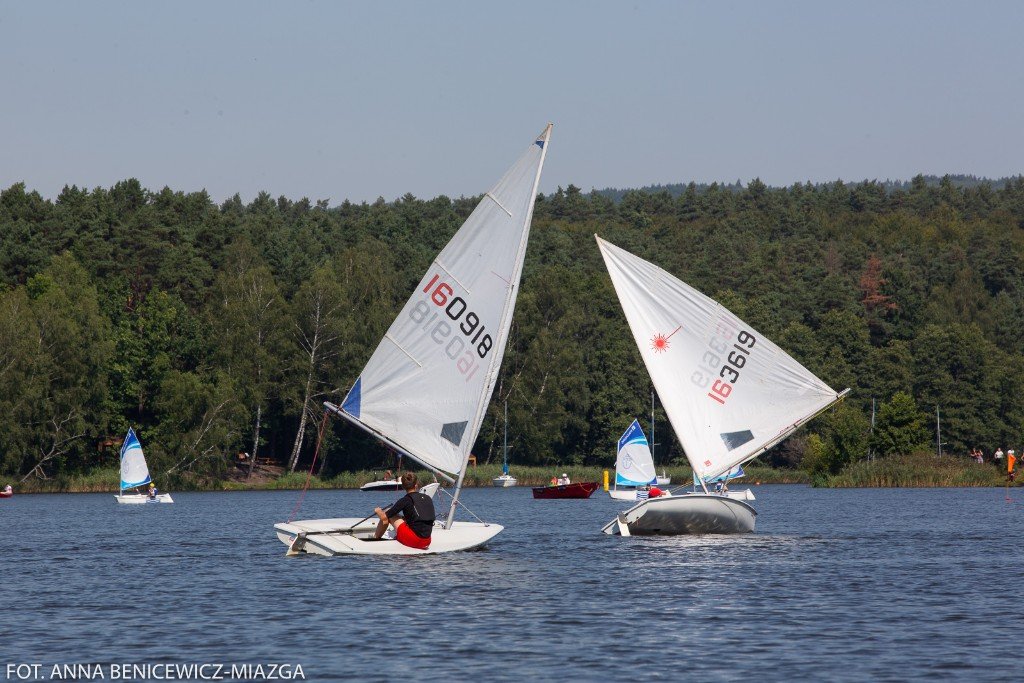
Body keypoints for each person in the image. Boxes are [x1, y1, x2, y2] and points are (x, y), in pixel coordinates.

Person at [373, 472, 434, 550]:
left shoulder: (405, 500)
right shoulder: (428, 498)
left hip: (416, 541)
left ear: (403, 486)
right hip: (427, 541)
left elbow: (384, 517)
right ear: (416, 485)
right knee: (401, 517)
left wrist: (378, 511)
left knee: (388, 513)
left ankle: (375, 538)